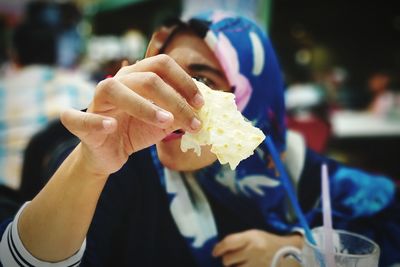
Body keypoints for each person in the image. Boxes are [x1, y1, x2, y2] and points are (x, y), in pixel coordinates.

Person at [1, 11, 399, 267]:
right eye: (166, 77)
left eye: (203, 80)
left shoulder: (293, 168)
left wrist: (295, 251)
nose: (172, 99)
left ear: (252, 98)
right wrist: (89, 163)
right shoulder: (129, 164)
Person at [0, 1, 94, 189]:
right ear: (55, 54)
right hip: (72, 195)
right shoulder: (86, 88)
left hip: (8, 204)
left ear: (15, 56)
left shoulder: (4, 91)